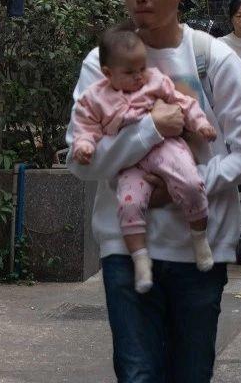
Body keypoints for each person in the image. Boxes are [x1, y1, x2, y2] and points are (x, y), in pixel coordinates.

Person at [66, 0, 241, 383]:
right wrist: (150, 130)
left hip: (200, 253)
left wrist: (188, 185)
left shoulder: (211, 59)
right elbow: (82, 161)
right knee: (137, 373)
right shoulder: (100, 66)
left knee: (190, 373)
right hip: (125, 246)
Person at [70, 26, 218, 292]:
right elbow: (85, 127)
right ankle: (140, 260)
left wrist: (200, 124)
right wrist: (84, 145)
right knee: (129, 204)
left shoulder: (154, 80)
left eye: (142, 68)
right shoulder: (95, 98)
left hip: (167, 149)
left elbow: (182, 102)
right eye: (130, 72)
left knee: (190, 181)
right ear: (107, 73)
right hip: (131, 165)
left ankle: (199, 236)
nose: (139, 76)